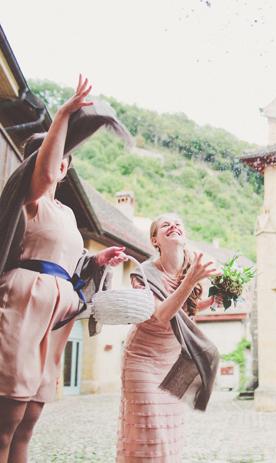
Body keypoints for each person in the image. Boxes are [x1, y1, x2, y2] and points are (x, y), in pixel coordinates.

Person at [0, 75, 127, 463]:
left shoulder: (67, 214)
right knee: (6, 422)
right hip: (24, 306)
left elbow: (68, 262)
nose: (58, 163)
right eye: (52, 156)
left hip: (56, 317)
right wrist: (63, 116)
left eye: (63, 158)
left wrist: (96, 262)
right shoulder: (29, 199)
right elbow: (41, 174)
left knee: (29, 421)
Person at [117, 213, 220, 463]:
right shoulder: (143, 273)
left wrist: (211, 301)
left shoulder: (190, 266)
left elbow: (184, 311)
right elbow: (162, 315)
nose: (173, 225)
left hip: (173, 361)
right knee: (149, 431)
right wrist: (190, 280)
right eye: (165, 224)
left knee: (168, 433)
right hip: (142, 359)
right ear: (155, 240)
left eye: (178, 223)